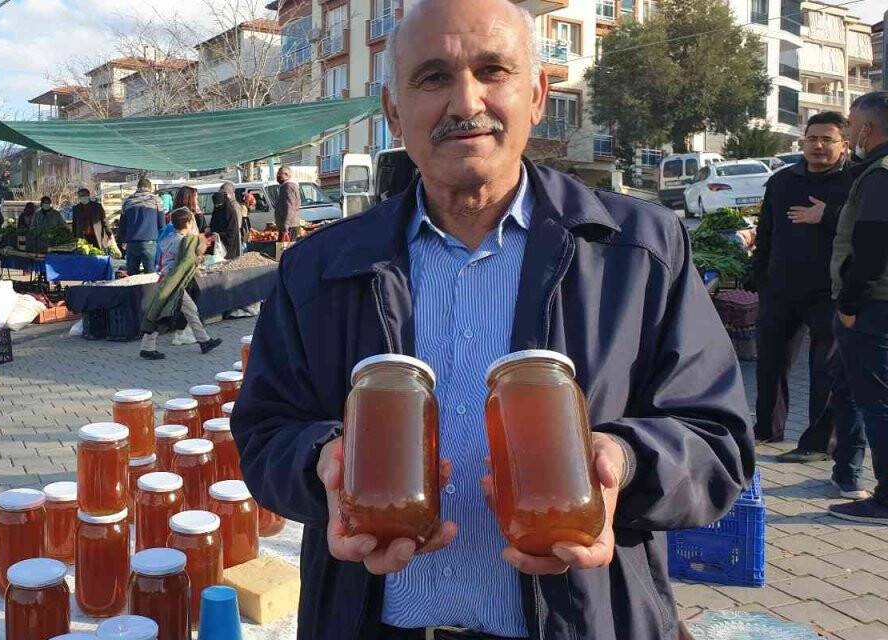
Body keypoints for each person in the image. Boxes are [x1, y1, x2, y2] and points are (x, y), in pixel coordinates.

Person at [230, 1, 753, 638]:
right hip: (369, 619)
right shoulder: (319, 269)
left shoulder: (636, 250)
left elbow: (717, 438)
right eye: (432, 78)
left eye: (493, 71)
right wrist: (322, 466)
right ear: (394, 111)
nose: (465, 102)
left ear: (536, 95)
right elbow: (263, 433)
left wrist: (627, 461)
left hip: (584, 618)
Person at [749, 111, 854, 461]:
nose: (819, 146)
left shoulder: (855, 183)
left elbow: (869, 232)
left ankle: (819, 443)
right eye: (812, 139)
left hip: (829, 290)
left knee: (824, 368)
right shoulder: (782, 182)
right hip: (781, 288)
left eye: (828, 140)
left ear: (844, 145)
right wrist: (758, 275)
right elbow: (766, 233)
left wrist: (828, 215)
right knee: (770, 363)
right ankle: (766, 430)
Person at [828, 91, 888, 523]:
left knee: (877, 405)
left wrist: (849, 303)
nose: (849, 132)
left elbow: (871, 247)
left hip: (873, 308)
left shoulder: (880, 176)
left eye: (850, 123)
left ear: (866, 128)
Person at [138, 207, 222, 360]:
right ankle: (147, 348)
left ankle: (204, 341)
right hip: (173, 282)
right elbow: (187, 260)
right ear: (189, 223)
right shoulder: (182, 241)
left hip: (167, 280)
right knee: (161, 315)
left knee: (188, 310)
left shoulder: (168, 238)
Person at [120, 178, 164, 274]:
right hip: (149, 243)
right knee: (150, 275)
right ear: (150, 188)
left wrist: (123, 240)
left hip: (131, 244)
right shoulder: (156, 200)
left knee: (132, 276)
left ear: (138, 187)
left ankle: (134, 289)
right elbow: (161, 224)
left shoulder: (127, 201)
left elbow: (122, 224)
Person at [209, 181, 244, 259]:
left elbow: (235, 226)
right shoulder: (219, 208)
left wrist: (219, 234)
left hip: (231, 243)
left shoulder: (233, 207)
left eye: (223, 193)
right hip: (220, 243)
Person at [272, 165, 302, 240]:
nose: (278, 176)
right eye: (277, 174)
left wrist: (285, 226)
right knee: (287, 249)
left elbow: (289, 207)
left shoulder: (288, 187)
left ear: (286, 175)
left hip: (289, 227)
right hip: (290, 225)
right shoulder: (287, 186)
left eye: (280, 174)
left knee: (285, 250)